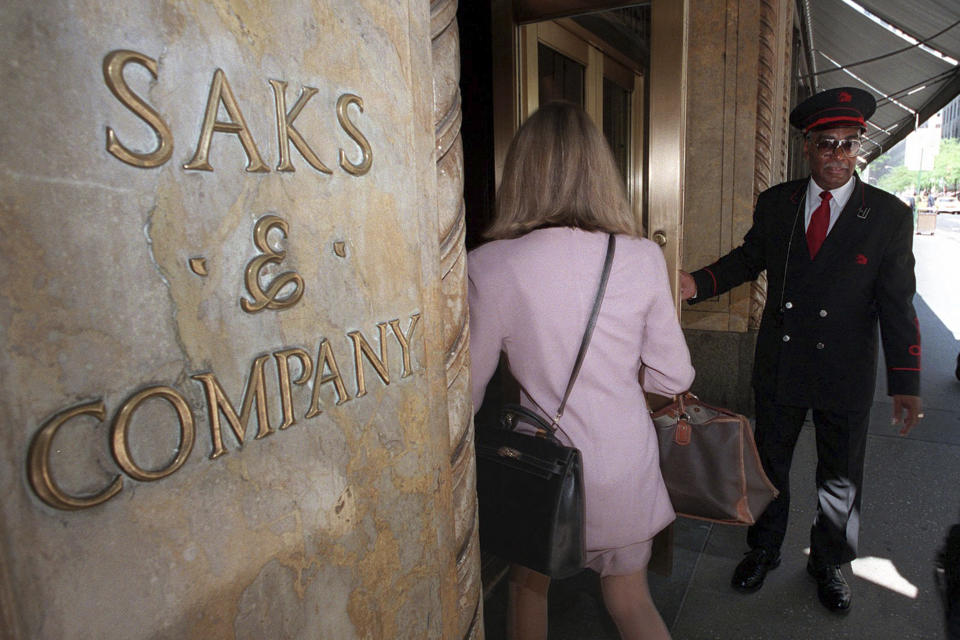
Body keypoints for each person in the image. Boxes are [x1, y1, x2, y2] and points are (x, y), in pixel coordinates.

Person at [679, 87, 923, 614]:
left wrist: (906, 381)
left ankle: (828, 562)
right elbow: (748, 259)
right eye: (826, 143)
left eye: (847, 144)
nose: (837, 154)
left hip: (845, 369)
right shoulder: (779, 204)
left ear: (859, 148)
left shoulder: (887, 216)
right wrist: (693, 284)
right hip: (783, 363)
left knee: (840, 475)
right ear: (807, 146)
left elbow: (899, 304)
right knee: (770, 466)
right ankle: (763, 550)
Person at [469, 101, 695, 640]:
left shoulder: (490, 264)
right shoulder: (641, 257)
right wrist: (618, 375)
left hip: (541, 467)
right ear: (600, 171)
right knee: (631, 602)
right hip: (622, 465)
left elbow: (467, 392)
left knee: (528, 591)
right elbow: (673, 378)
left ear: (521, 172)